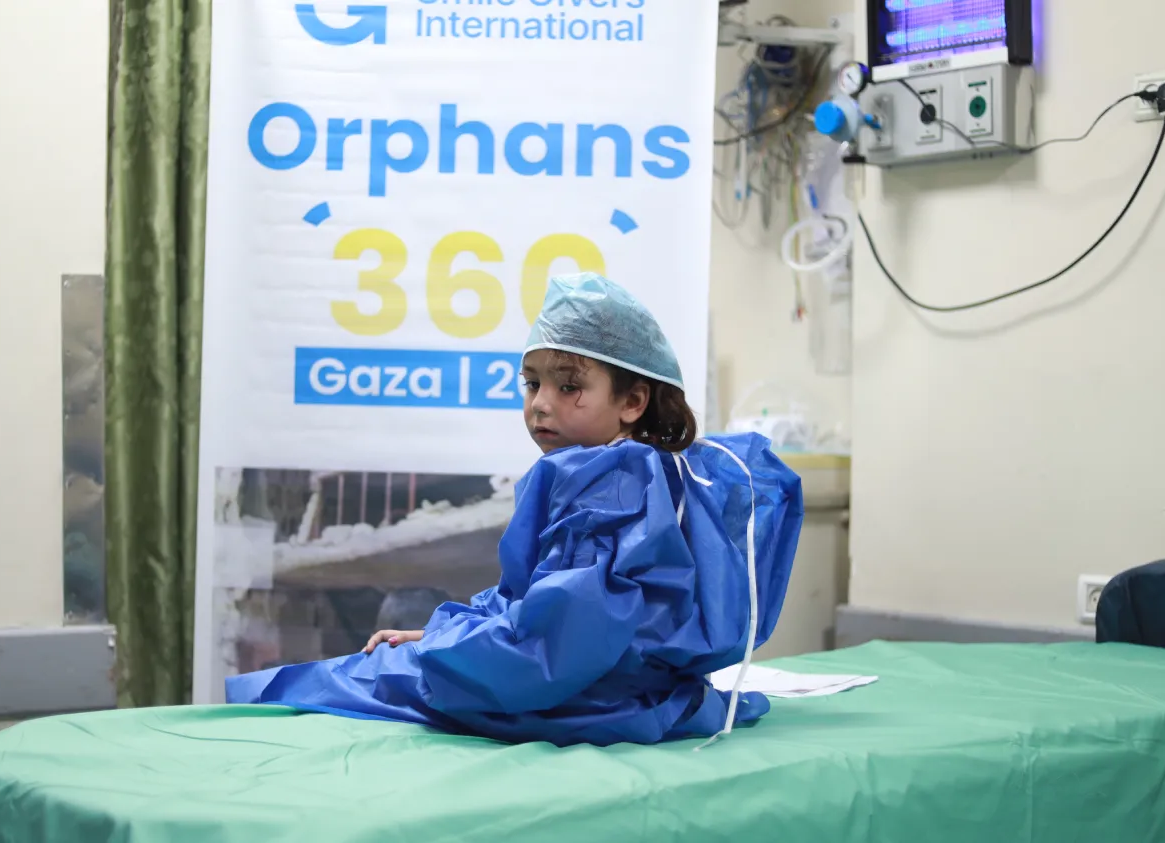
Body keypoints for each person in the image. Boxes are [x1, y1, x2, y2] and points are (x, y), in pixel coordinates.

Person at [226, 273, 804, 747]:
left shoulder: (613, 487)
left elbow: (543, 652)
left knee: (312, 690)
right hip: (621, 690)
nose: (541, 404)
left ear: (632, 401)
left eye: (569, 385)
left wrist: (435, 654)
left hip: (588, 703)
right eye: (531, 383)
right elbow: (534, 605)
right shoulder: (643, 474)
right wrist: (441, 631)